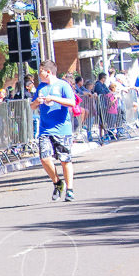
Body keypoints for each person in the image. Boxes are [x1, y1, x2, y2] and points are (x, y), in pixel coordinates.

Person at [33, 60, 78, 202]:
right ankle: (57, 182)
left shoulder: (63, 85)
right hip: (45, 129)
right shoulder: (40, 87)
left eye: (41, 71)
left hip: (62, 129)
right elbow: (32, 106)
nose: (39, 74)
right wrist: (36, 102)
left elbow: (72, 102)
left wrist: (54, 98)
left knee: (65, 159)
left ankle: (69, 190)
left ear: (48, 72)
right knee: (44, 158)